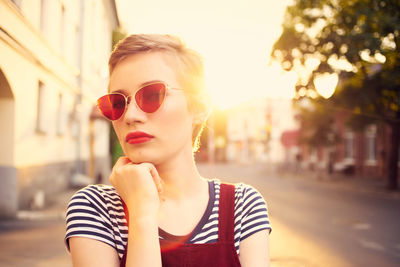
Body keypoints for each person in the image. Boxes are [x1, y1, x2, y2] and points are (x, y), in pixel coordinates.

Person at [65, 34, 271, 267]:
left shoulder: (242, 207)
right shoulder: (95, 208)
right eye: (118, 102)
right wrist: (142, 211)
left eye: (152, 95)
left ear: (200, 107)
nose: (130, 116)